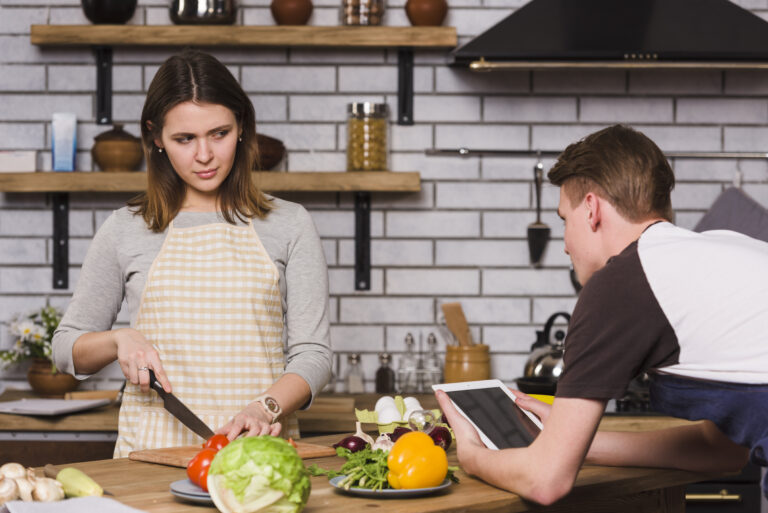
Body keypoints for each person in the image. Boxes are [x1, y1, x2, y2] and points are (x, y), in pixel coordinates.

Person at [436, 124, 768, 504]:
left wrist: (472, 456)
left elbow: (546, 482)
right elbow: (720, 452)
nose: (564, 245)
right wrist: (566, 441)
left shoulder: (622, 281)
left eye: (564, 219)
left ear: (591, 209)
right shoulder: (729, 249)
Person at [52, 50, 332, 457]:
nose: (204, 155)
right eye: (184, 139)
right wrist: (120, 340)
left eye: (219, 133)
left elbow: (314, 355)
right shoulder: (126, 228)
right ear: (156, 137)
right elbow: (66, 350)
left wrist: (265, 407)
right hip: (150, 458)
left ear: (242, 127)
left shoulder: (289, 224)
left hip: (258, 457)